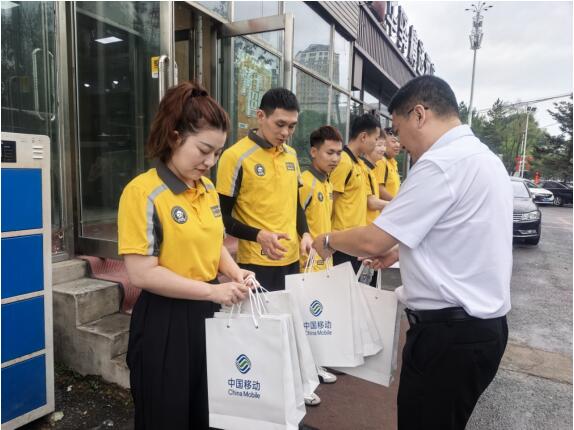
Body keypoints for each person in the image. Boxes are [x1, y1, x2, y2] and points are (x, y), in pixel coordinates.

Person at [312, 75, 511, 430]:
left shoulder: (440, 164)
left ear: (419, 114)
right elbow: (461, 236)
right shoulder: (485, 160)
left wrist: (327, 240)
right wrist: (400, 253)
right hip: (481, 330)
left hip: (449, 337)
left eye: (399, 130)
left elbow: (372, 241)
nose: (400, 143)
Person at [118, 81, 252, 429]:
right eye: (204, 150)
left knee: (207, 412)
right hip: (166, 319)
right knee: (166, 416)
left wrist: (235, 272)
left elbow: (213, 244)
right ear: (175, 137)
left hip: (208, 312)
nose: (210, 162)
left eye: (218, 153)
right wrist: (212, 291)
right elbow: (142, 274)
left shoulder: (207, 189)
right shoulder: (143, 192)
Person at [216, 88, 313, 291]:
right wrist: (258, 235)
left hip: (292, 259)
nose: (285, 133)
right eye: (280, 124)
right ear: (261, 116)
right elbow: (221, 217)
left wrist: (305, 233)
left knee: (290, 311)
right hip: (255, 263)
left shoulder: (291, 155)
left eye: (292, 126)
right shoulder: (235, 157)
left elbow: (295, 204)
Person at [329, 113, 383, 272]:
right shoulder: (343, 162)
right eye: (376, 139)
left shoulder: (359, 164)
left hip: (355, 241)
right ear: (364, 137)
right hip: (342, 242)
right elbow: (330, 202)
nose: (376, 144)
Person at [299, 125, 343, 272]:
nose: (335, 159)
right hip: (307, 265)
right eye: (330, 153)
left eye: (339, 153)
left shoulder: (328, 184)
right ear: (314, 152)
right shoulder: (304, 183)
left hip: (325, 261)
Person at [361, 130, 388, 224]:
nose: (383, 149)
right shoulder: (364, 170)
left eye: (385, 145)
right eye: (379, 145)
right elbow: (371, 203)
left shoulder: (371, 170)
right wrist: (397, 204)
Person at [379, 127, 402, 200]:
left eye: (398, 141)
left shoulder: (393, 162)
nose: (398, 145)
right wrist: (396, 203)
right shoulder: (381, 161)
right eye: (393, 141)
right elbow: (379, 189)